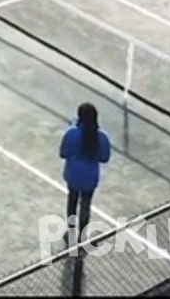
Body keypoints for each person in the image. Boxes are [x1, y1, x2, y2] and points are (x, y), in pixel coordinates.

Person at [58, 102, 112, 245]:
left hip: (73, 175)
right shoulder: (101, 137)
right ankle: (82, 235)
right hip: (90, 178)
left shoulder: (72, 133)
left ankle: (70, 230)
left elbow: (63, 153)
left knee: (72, 201)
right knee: (86, 205)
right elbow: (104, 158)